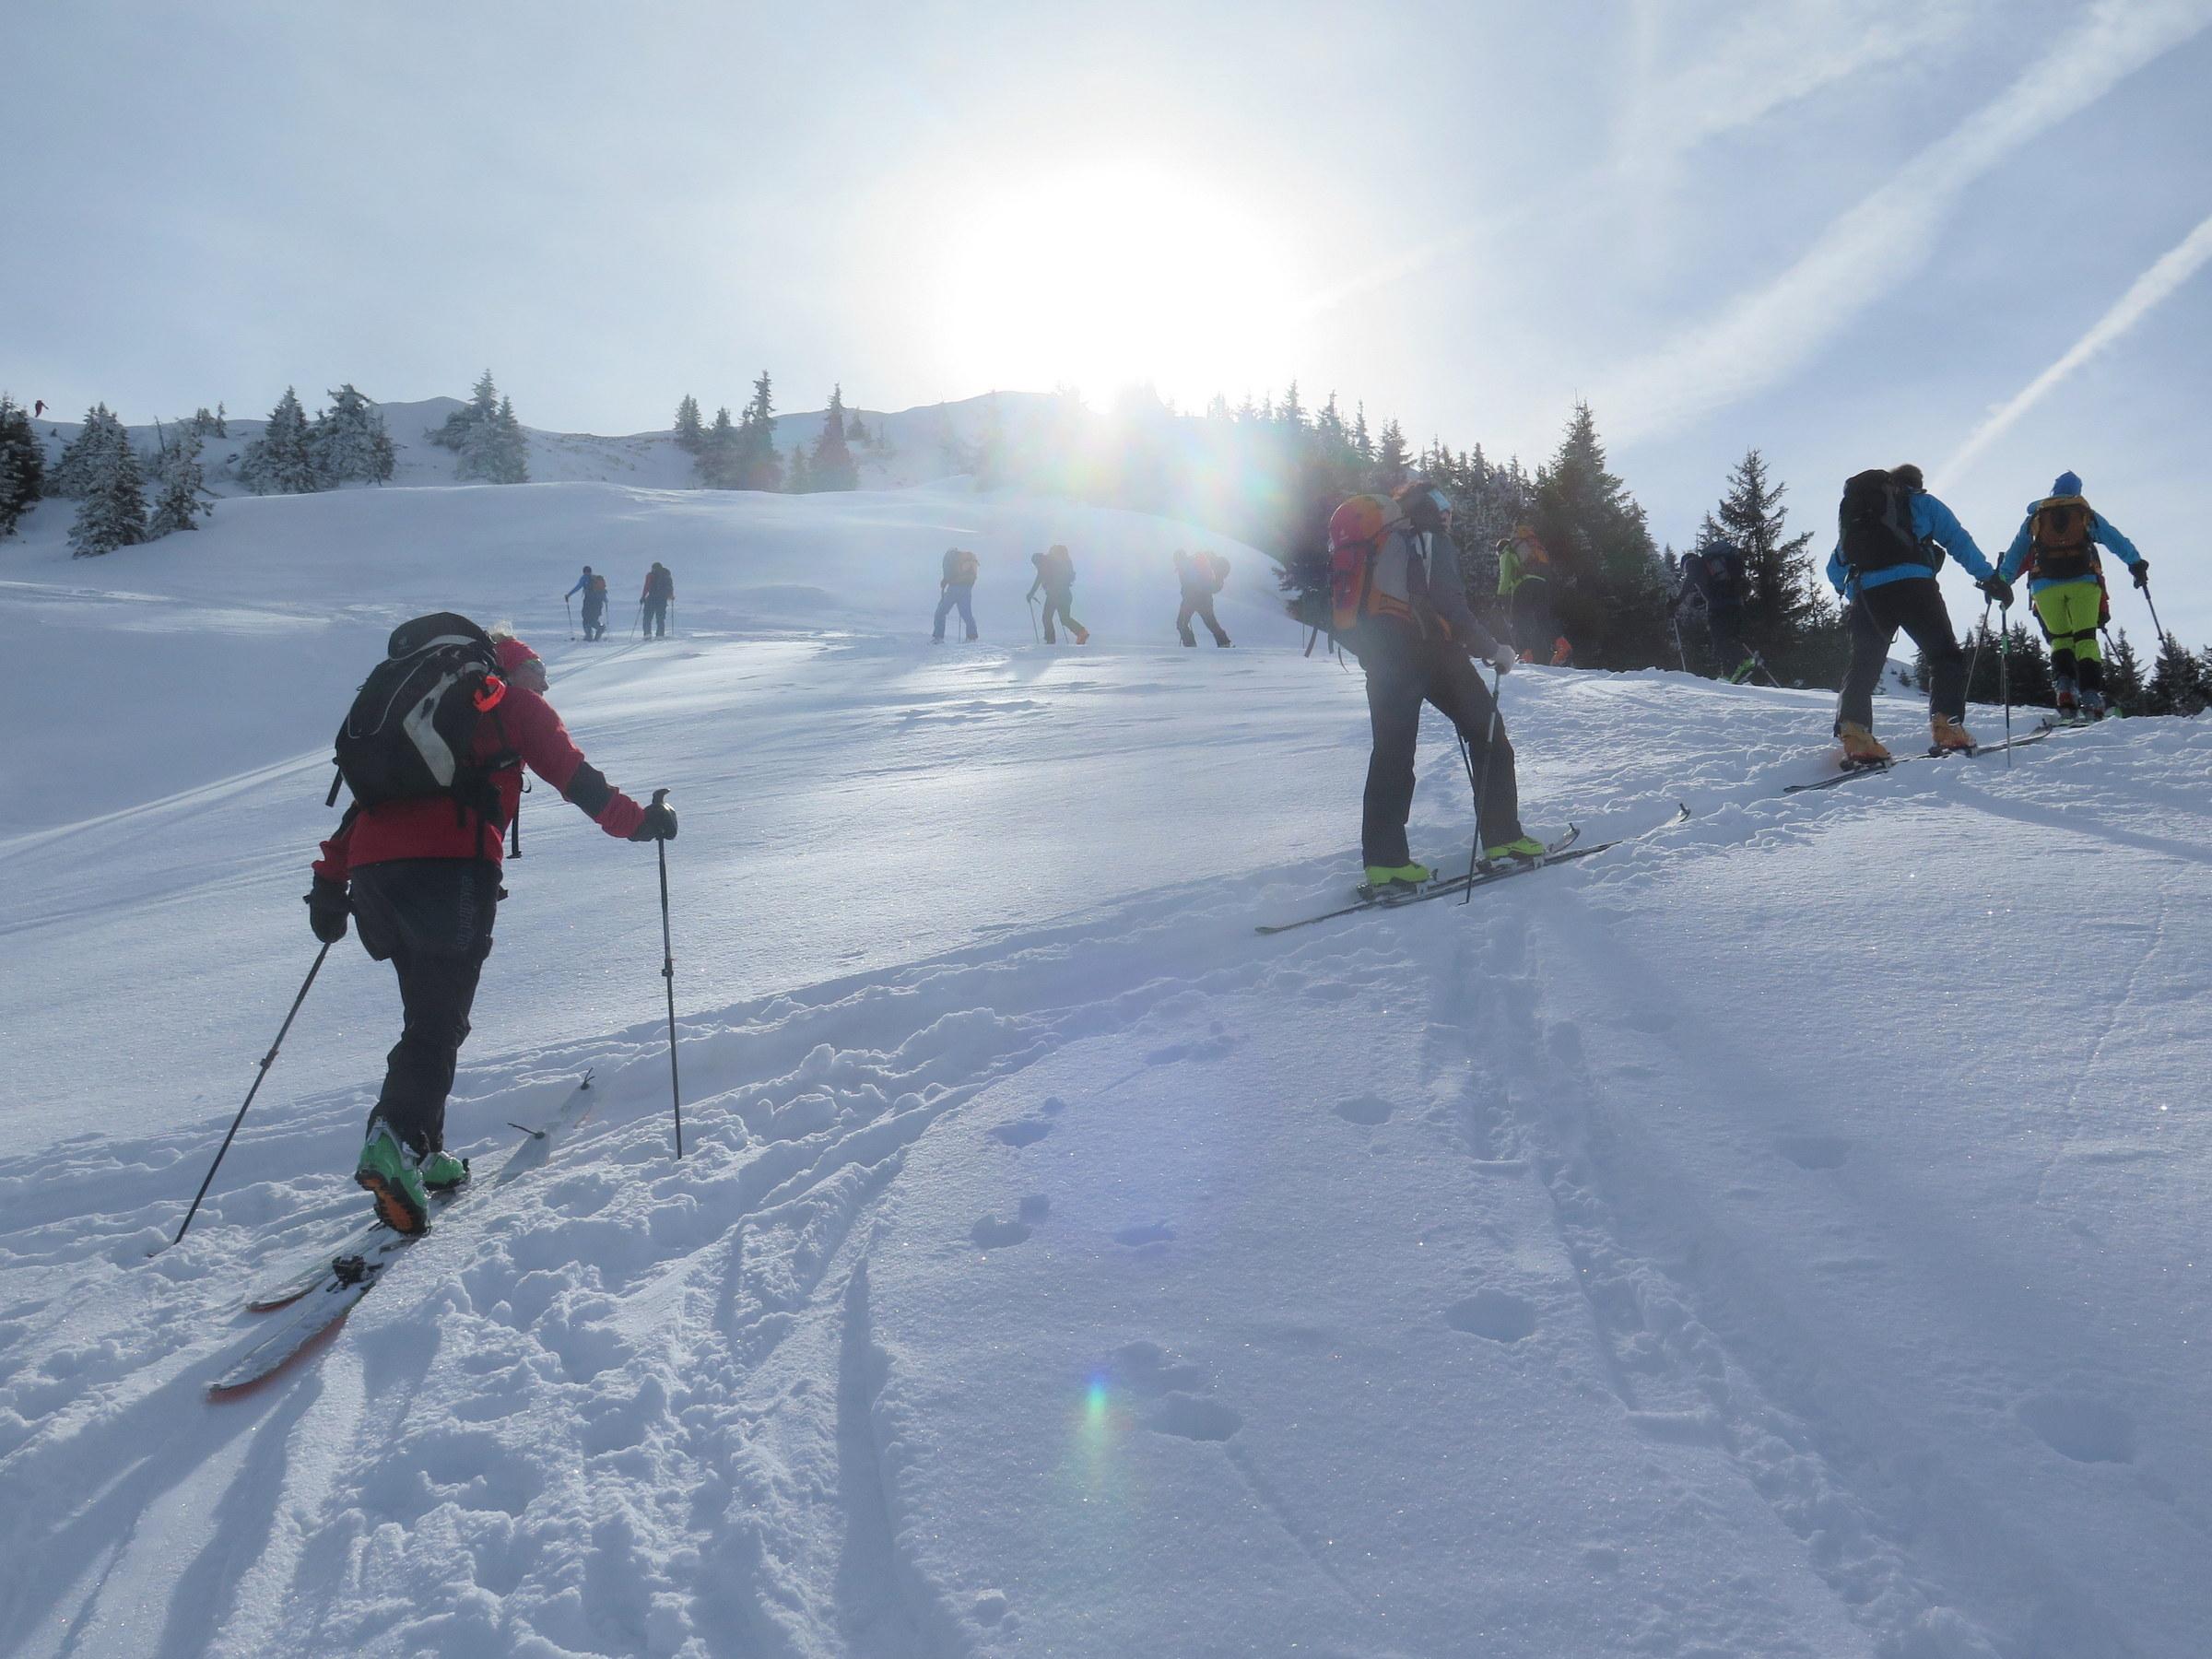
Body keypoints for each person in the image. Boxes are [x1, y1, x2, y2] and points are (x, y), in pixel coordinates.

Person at [307, 624, 677, 1232]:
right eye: (537, 670)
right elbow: (577, 779)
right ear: (508, 666)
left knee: (429, 1014)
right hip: (450, 869)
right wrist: (642, 823)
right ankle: (394, 1140)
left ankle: (425, 1152)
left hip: (375, 877)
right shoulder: (510, 704)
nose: (544, 684)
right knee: (439, 1021)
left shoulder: (426, 720)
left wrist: (329, 885)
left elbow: (367, 808)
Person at [1329, 481, 1544, 894]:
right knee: (1489, 734)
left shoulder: (1382, 544)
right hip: (1429, 651)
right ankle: (1503, 839)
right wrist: (1494, 649)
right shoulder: (1428, 537)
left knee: (1391, 754)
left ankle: (1385, 864)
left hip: (1382, 654)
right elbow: (1451, 606)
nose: (1448, 511)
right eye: (1442, 502)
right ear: (1428, 506)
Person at [1828, 464, 2009, 764]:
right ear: (1916, 484)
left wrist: (1853, 596)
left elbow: (1834, 569)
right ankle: (1947, 728)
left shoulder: (1863, 517)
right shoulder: (1923, 504)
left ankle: (1856, 735)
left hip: (1869, 596)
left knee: (1863, 665)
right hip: (1915, 588)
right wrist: (1990, 578)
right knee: (1944, 656)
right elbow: (1958, 540)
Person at [1995, 471, 2147, 721]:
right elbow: (2114, 538)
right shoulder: (2084, 513)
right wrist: (2136, 563)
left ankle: (2065, 693)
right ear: (2077, 491)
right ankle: (2091, 697)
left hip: (2044, 587)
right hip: (2083, 583)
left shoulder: (2036, 517)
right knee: (2085, 639)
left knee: (2060, 640)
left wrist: (2002, 582)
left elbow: (2016, 552)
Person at [1669, 536, 1760, 683]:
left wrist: (1677, 601)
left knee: (1720, 640)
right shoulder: (1714, 569)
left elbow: (1689, 581)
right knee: (1730, 637)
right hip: (1736, 603)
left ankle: (1737, 666)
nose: (1686, 572)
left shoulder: (1693, 563)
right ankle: (1737, 667)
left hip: (1719, 608)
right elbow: (1707, 591)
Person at [1496, 524, 1572, 666]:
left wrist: (1500, 595)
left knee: (1518, 620)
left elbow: (1505, 576)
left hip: (1524, 586)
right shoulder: (1530, 550)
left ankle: (1525, 654)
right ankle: (1561, 645)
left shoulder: (1506, 551)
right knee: (1543, 619)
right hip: (1542, 584)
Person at [1027, 544, 1088, 644]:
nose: (1036, 567)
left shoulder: (1044, 566)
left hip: (1054, 595)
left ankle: (1050, 640)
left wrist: (1030, 594)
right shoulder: (1054, 564)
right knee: (1064, 619)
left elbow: (1038, 580)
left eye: (1036, 564)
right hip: (1065, 594)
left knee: (1046, 617)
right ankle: (1081, 632)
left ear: (1038, 561)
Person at [1173, 549, 1232, 647]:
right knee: (1210, 622)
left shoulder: (1186, 566)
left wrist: (1186, 592)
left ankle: (1190, 645)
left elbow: (1192, 584)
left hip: (1192, 600)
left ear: (1178, 559)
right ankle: (1224, 642)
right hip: (1205, 599)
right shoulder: (1191, 563)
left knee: (1181, 623)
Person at [935, 547, 980, 641]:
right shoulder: (965, 558)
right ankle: (972, 637)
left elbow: (948, 574)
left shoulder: (949, 557)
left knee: (940, 612)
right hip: (967, 589)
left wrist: (945, 581)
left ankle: (938, 637)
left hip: (954, 589)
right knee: (966, 614)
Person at [641, 562, 675, 638]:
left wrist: (643, 597)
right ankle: (660, 634)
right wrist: (671, 596)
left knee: (647, 617)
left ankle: (647, 634)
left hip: (651, 599)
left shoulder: (650, 575)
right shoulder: (666, 575)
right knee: (660, 618)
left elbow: (647, 587)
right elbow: (670, 587)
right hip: (662, 600)